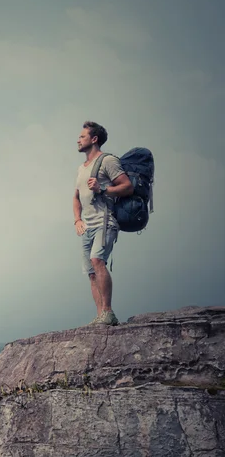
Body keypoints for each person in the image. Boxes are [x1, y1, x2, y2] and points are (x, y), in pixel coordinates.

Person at [73, 121, 133, 325]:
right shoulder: (81, 168)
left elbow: (127, 187)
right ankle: (100, 316)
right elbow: (76, 196)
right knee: (91, 272)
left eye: (82, 136)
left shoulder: (107, 161)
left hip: (105, 221)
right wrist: (77, 220)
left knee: (97, 261)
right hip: (87, 227)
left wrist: (103, 189)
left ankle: (108, 312)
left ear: (94, 139)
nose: (78, 140)